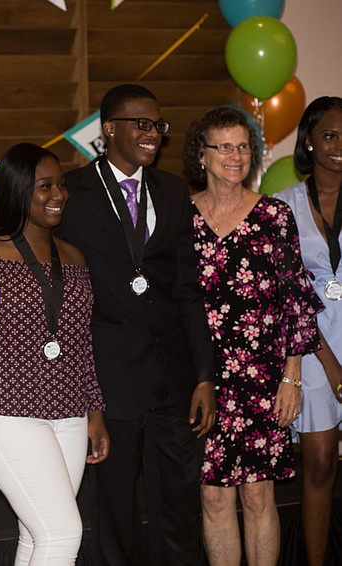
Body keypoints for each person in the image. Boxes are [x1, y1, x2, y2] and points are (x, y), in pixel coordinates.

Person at [56, 84, 217, 565]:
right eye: (141, 124)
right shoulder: (72, 192)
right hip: (109, 377)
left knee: (180, 506)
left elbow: (188, 290)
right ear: (109, 129)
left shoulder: (172, 191)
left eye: (158, 125)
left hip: (174, 375)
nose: (153, 134)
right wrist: (81, 391)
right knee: (116, 509)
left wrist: (204, 375)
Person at [185, 105, 323, 566]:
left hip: (263, 378)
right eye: (224, 146)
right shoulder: (181, 216)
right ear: (201, 155)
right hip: (202, 378)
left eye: (243, 146)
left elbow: (295, 300)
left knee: (258, 494)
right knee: (213, 497)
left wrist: (292, 377)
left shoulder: (274, 215)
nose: (236, 155)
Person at [0, 142, 109, 565]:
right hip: (8, 412)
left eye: (61, 185)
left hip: (69, 414)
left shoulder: (74, 257)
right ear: (17, 190)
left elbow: (82, 342)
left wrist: (95, 411)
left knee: (36, 537)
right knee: (62, 534)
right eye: (45, 186)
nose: (59, 195)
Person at [276, 96, 342, 566]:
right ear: (310, 142)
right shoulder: (283, 207)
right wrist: (332, 364)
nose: (339, 145)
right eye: (330, 135)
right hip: (313, 345)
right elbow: (288, 295)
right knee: (319, 464)